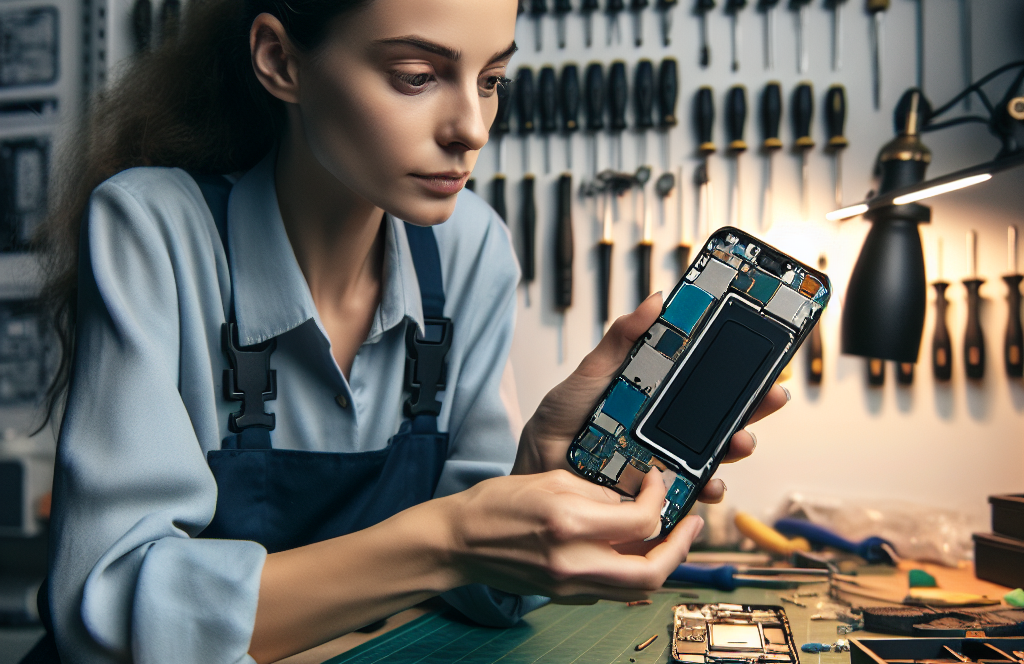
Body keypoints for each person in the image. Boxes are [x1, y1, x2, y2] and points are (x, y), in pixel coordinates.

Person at [28, 0, 788, 661]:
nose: (471, 129)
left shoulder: (471, 249)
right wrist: (450, 538)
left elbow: (481, 599)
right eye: (418, 76)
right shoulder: (153, 227)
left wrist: (543, 473)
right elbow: (108, 622)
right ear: (280, 60)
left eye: (491, 81)